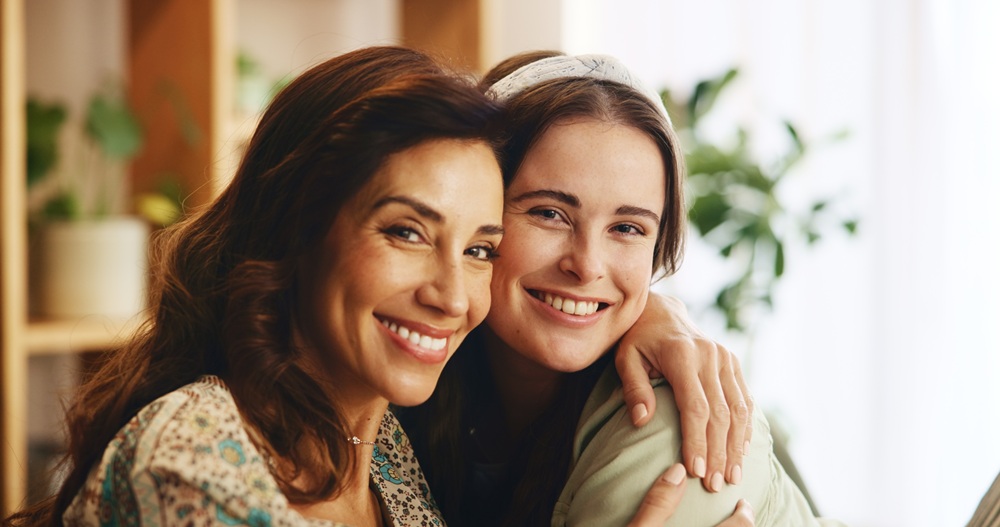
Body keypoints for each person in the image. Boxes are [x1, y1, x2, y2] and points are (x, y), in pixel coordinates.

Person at [4, 45, 746, 527]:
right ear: (297, 226)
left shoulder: (377, 438)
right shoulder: (194, 456)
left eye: (480, 247)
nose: (453, 294)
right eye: (406, 232)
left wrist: (653, 311)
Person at [401, 52, 847, 526]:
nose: (587, 265)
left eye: (628, 228)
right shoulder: (412, 375)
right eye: (549, 213)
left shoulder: (671, 429)